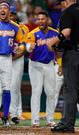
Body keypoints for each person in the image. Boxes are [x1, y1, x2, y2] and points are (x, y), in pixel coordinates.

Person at [47, 0, 79, 133]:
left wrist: (53, 41)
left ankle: (67, 123)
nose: (61, 6)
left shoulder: (68, 12)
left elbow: (65, 33)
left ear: (66, 2)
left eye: (61, 3)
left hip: (74, 55)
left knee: (70, 90)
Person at [26, 11, 58, 127]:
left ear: (47, 20)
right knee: (36, 91)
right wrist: (30, 47)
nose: (40, 21)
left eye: (42, 19)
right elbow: (28, 47)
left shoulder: (55, 33)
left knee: (51, 92)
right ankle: (35, 120)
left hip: (49, 63)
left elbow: (59, 50)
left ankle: (50, 119)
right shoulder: (33, 33)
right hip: (35, 65)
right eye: (38, 19)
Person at [9, 6, 29, 124]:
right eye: (9, 14)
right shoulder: (2, 26)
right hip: (4, 58)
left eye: (12, 14)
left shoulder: (23, 28)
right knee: (1, 87)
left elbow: (25, 46)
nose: (10, 16)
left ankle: (16, 113)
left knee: (15, 86)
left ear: (15, 15)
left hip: (17, 59)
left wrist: (14, 57)